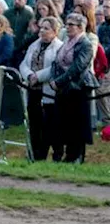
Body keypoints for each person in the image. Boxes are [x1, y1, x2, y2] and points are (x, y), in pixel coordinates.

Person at [48, 12, 97, 163]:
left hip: (78, 88)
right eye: (66, 24)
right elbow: (56, 63)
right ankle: (66, 154)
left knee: (78, 124)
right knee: (64, 123)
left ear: (81, 27)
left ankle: (76, 155)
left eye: (71, 25)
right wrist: (53, 79)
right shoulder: (66, 42)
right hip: (63, 89)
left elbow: (77, 67)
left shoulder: (86, 44)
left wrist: (59, 81)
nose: (67, 27)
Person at [20, 16, 62, 161]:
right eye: (41, 28)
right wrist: (29, 75)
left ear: (55, 31)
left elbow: (55, 68)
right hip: (33, 90)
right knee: (34, 123)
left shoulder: (59, 47)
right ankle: (34, 153)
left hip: (48, 92)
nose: (42, 31)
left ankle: (48, 154)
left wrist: (37, 76)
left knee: (49, 125)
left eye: (46, 28)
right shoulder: (34, 45)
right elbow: (24, 63)